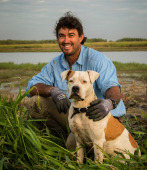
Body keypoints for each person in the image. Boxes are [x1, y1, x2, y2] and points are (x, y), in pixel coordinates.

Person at [25, 11, 126, 149]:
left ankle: (84, 144)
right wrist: (53, 91)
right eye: (61, 36)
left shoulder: (98, 60)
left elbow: (112, 87)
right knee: (33, 102)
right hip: (77, 116)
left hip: (102, 117)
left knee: (76, 146)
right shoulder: (55, 64)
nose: (66, 41)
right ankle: (64, 136)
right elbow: (31, 87)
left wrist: (109, 103)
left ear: (81, 37)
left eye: (71, 35)